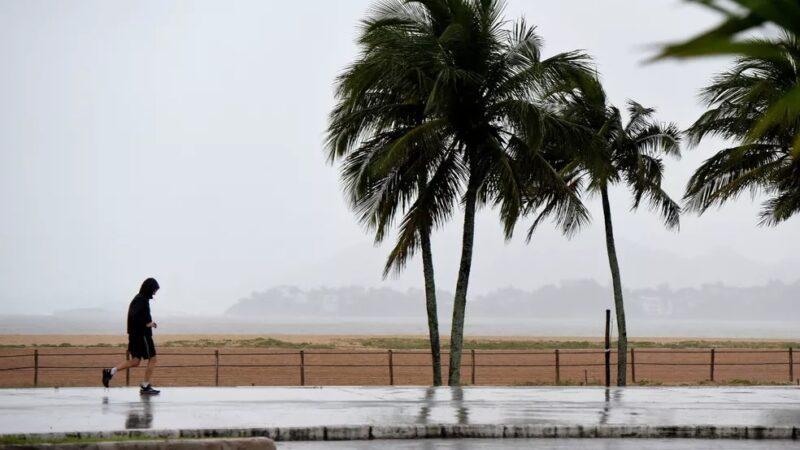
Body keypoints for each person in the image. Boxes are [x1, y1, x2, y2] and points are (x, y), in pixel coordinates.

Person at [102, 278, 161, 395]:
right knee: (153, 359)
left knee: (135, 361)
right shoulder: (141, 300)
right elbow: (134, 317)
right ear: (149, 289)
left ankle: (110, 372)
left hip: (135, 336)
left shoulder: (139, 299)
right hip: (142, 336)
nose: (155, 293)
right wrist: (148, 324)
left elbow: (133, 317)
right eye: (154, 290)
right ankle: (145, 386)